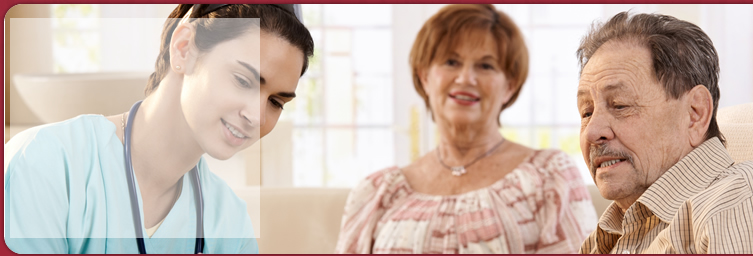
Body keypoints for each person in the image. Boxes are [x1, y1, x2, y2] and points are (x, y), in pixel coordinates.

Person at [4, 4, 314, 254]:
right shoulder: (46, 163)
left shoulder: (228, 222)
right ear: (183, 49)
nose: (257, 116)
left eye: (276, 102)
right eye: (243, 81)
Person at [336, 4, 597, 254]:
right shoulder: (377, 193)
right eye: (451, 62)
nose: (465, 79)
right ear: (425, 76)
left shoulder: (550, 177)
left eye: (485, 65)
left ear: (509, 85)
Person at [575, 12, 753, 254]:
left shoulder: (742, 206)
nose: (592, 132)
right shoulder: (609, 233)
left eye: (620, 105)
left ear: (695, 114)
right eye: (586, 112)